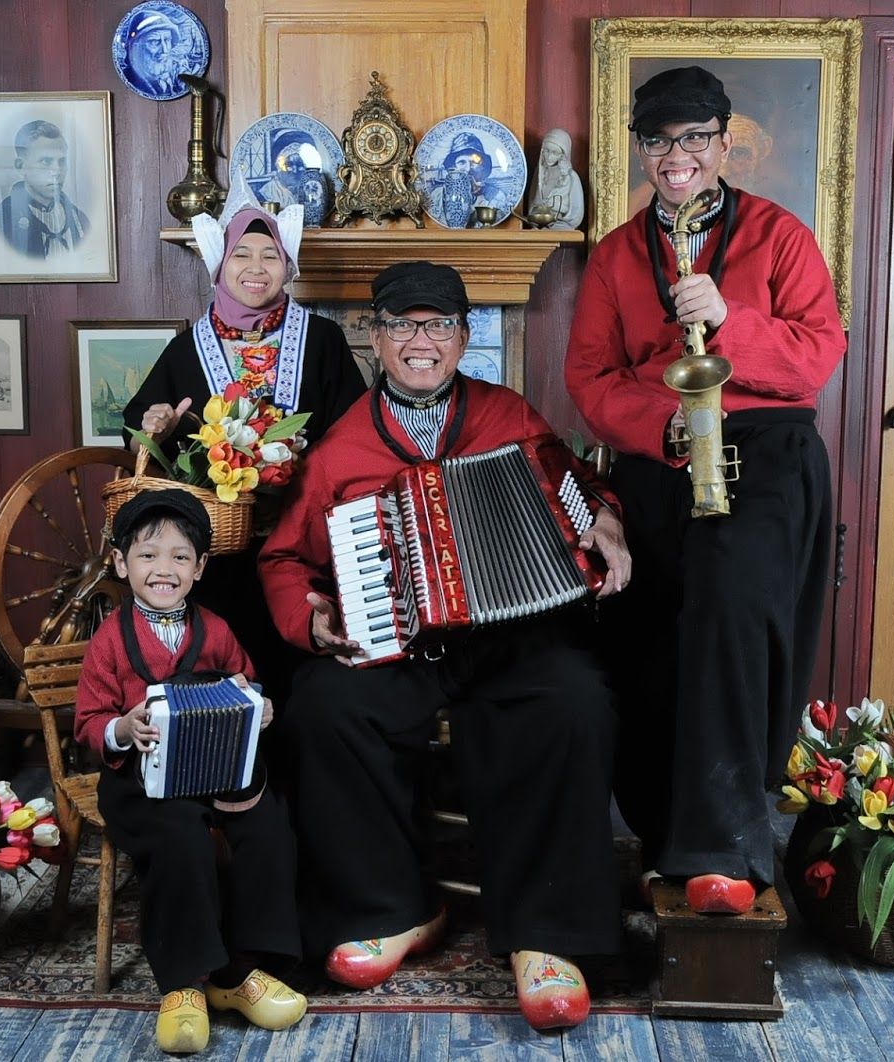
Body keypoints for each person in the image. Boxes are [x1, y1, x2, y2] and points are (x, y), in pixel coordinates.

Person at [258, 261, 633, 1031]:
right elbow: (283, 560)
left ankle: (546, 934)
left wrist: (607, 521)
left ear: (464, 337)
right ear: (376, 339)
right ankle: (392, 907)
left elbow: (578, 495)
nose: (419, 340)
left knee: (576, 700)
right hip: (400, 644)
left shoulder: (511, 416)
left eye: (436, 325)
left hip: (510, 637)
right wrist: (313, 618)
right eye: (401, 325)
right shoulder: (338, 448)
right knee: (322, 708)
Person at [563, 66, 846, 916]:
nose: (675, 155)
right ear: (642, 152)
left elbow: (818, 353)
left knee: (727, 611)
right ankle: (662, 835)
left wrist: (730, 319)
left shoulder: (781, 236)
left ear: (724, 144)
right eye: (658, 140)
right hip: (663, 453)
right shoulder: (615, 255)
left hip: (766, 453)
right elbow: (589, 377)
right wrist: (666, 428)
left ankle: (727, 851)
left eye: (693, 138)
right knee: (648, 637)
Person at [75, 489, 307, 1055]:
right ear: (120, 564)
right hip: (141, 783)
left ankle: (245, 970)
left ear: (200, 568)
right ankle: (186, 983)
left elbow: (244, 683)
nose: (164, 569)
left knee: (269, 825)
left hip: (215, 772)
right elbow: (88, 722)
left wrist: (259, 703)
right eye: (149, 555)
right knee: (181, 838)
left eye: (181, 557)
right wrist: (122, 729)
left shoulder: (217, 630)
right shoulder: (110, 640)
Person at [124, 201, 367, 707]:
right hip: (218, 555)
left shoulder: (322, 340)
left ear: (288, 265)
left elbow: (353, 434)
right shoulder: (189, 347)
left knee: (306, 682)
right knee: (224, 676)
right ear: (219, 265)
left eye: (269, 255)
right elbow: (138, 433)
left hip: (305, 546)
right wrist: (159, 426)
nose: (256, 269)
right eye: (241, 255)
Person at [0, 120, 89, 259]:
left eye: (62, 162)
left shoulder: (80, 220)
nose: (57, 171)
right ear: (21, 166)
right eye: (46, 162)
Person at [526, 128, 584, 231]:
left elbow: (576, 213)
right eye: (547, 151)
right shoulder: (539, 175)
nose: (549, 156)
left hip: (562, 227)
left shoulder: (571, 177)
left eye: (554, 153)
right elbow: (533, 205)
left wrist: (557, 208)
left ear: (563, 154)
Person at [127, 11, 184, 98]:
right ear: (136, 47)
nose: (165, 50)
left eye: (167, 40)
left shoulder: (174, 77)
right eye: (154, 42)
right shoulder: (131, 80)